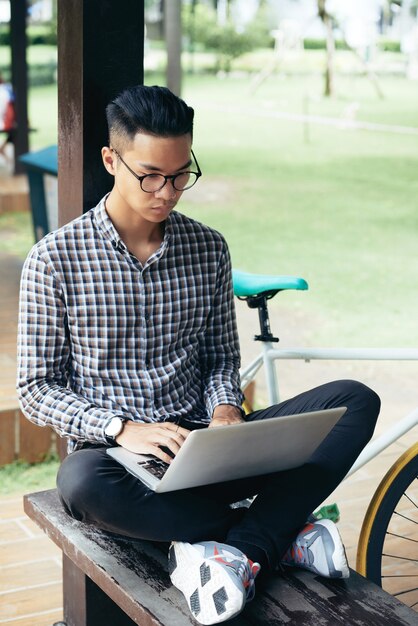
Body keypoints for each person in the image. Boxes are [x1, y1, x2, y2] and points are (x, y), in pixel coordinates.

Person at [17, 85, 380, 625]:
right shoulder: (54, 259)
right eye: (150, 175)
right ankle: (274, 536)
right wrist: (121, 428)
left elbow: (218, 359)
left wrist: (226, 411)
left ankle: (234, 548)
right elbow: (35, 388)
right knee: (79, 484)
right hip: (120, 464)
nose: (166, 191)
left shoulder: (208, 247)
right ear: (111, 160)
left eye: (180, 173)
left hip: (211, 452)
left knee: (354, 401)